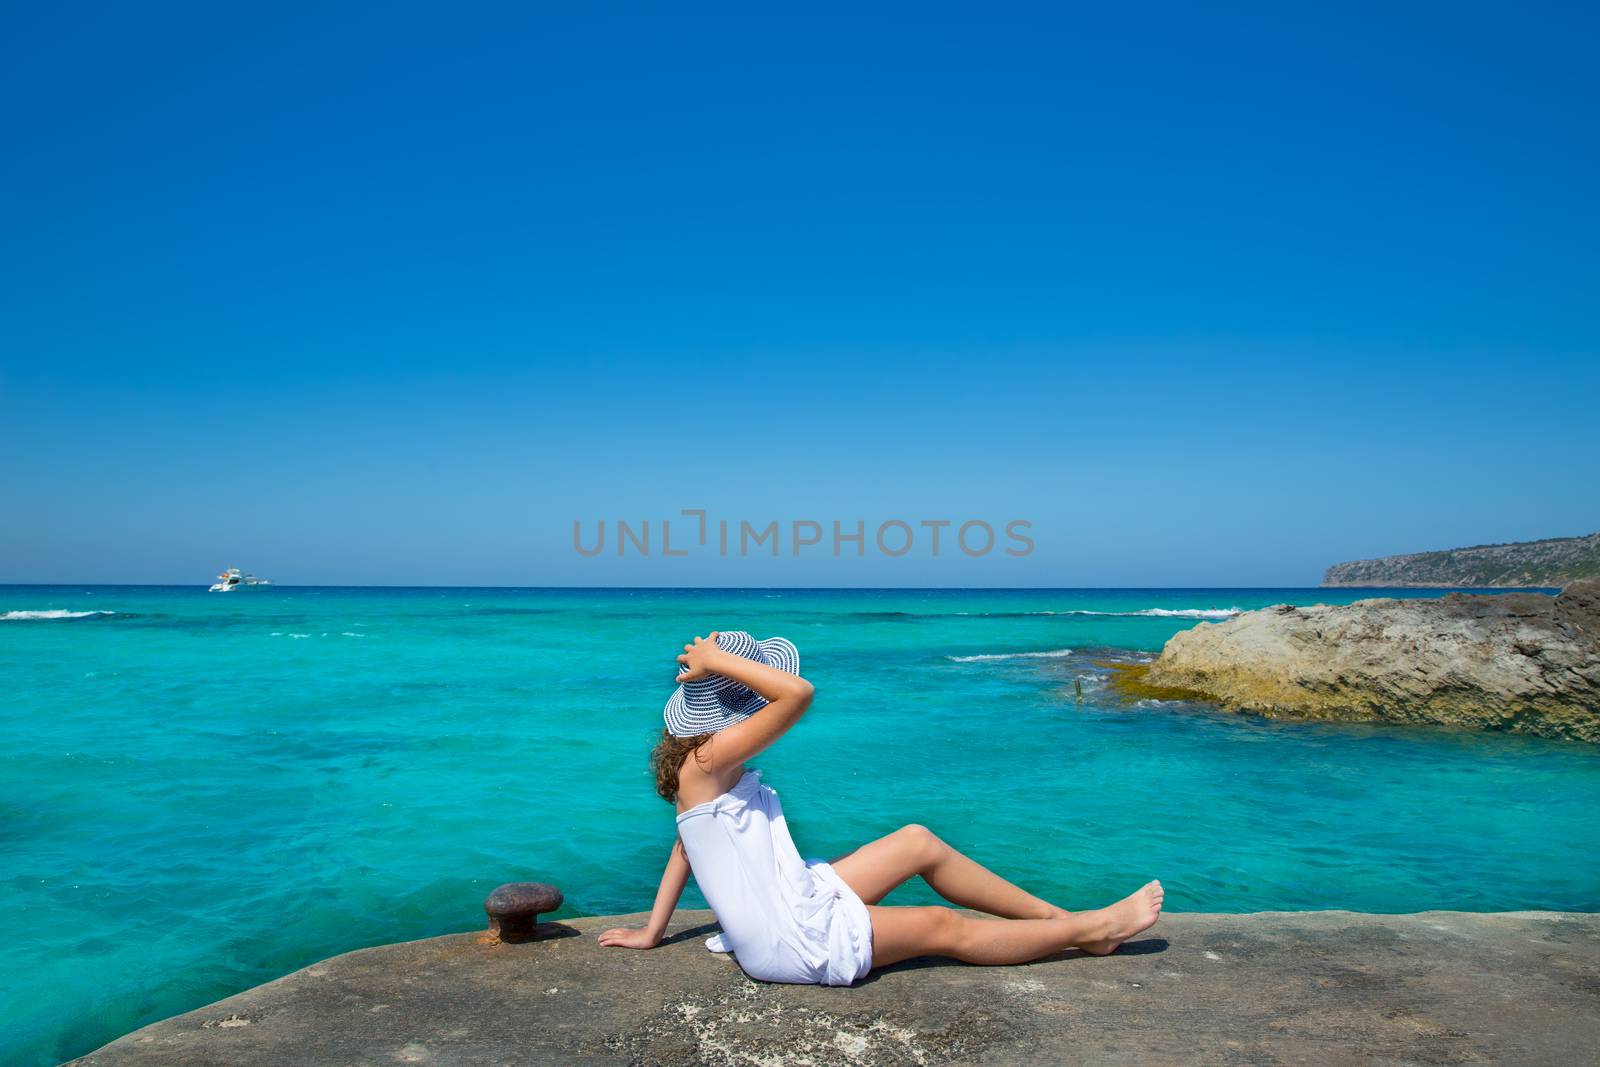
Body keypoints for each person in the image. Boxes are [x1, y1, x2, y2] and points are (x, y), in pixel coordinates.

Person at [598, 630, 1163, 985]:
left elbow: (684, 850)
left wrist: (652, 931)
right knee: (942, 927)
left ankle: (1055, 922)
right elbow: (798, 694)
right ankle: (1098, 927)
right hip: (785, 937)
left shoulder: (706, 768)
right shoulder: (709, 760)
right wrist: (718, 660)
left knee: (917, 840)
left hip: (795, 894)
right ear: (738, 711)